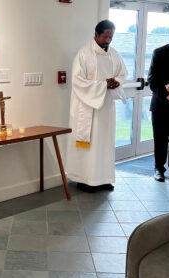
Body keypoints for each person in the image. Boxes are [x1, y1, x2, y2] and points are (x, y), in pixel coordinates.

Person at [66, 20, 128, 193]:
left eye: (111, 37)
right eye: (105, 36)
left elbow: (123, 73)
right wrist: (103, 85)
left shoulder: (114, 54)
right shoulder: (84, 55)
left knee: (105, 144)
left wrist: (116, 82)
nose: (108, 40)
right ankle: (85, 180)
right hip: (87, 108)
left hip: (106, 108)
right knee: (89, 145)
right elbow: (78, 81)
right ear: (96, 35)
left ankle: (103, 178)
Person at [147, 20, 169, 182]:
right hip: (161, 105)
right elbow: (152, 81)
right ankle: (158, 169)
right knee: (160, 139)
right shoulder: (159, 53)